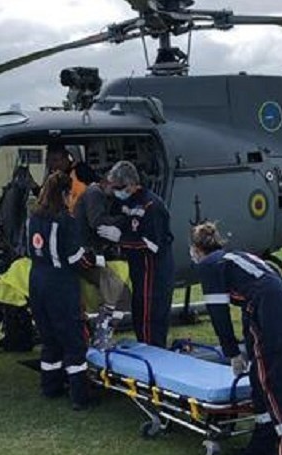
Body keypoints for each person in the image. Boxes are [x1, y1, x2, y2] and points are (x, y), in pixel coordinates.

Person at [190, 222, 282, 455]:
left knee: (277, 385)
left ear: (197, 249)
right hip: (280, 306)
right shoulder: (236, 256)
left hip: (270, 309)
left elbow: (218, 314)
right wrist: (246, 346)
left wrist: (232, 352)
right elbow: (255, 297)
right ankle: (262, 444)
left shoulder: (209, 265)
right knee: (260, 381)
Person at [27, 172, 101, 410]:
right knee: (73, 341)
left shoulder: (34, 217)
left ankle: (50, 387)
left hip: (36, 280)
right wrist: (96, 261)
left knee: (49, 339)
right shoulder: (65, 220)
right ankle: (80, 396)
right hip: (60, 284)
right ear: (65, 194)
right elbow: (75, 257)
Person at [97, 161, 173, 348]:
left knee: (150, 318)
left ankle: (154, 355)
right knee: (139, 312)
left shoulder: (151, 206)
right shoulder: (127, 202)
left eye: (119, 188)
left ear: (131, 184)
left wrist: (120, 239)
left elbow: (152, 244)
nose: (117, 192)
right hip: (139, 269)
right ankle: (145, 350)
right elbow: (124, 220)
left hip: (154, 271)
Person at [73, 176, 131, 349]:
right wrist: (123, 220)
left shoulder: (98, 195)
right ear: (107, 182)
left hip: (89, 256)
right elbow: (97, 222)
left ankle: (103, 331)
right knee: (118, 291)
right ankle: (101, 334)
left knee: (122, 294)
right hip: (85, 257)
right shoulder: (94, 193)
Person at [46, 144, 97, 212]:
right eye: (50, 161)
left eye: (56, 160)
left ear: (66, 158)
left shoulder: (81, 171)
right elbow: (44, 199)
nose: (53, 164)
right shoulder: (53, 178)